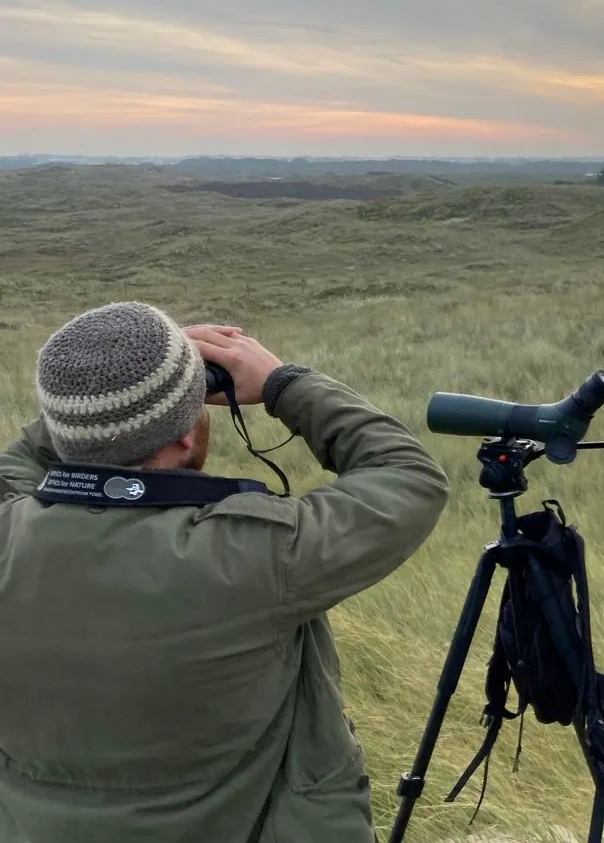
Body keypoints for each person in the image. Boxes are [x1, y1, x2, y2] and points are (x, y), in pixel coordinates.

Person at [0, 302, 450, 843]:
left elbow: (19, 464)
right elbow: (410, 477)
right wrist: (284, 384)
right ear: (186, 435)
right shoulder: (257, 556)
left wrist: (96, 412)